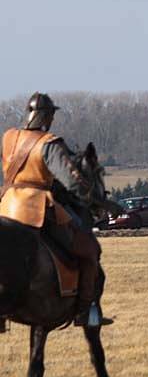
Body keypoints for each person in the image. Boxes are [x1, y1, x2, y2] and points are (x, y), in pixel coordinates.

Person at [0, 93, 107, 326]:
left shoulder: (8, 137)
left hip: (6, 205)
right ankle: (86, 313)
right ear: (47, 117)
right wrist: (98, 201)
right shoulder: (49, 143)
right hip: (33, 208)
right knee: (89, 251)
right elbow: (72, 182)